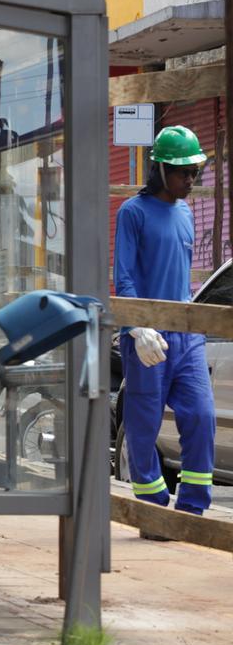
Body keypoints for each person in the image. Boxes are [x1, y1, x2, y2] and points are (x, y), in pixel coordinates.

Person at [114, 125, 215, 518]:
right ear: (159, 169)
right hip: (146, 337)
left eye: (194, 172)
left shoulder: (187, 211)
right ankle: (154, 512)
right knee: (142, 427)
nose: (189, 180)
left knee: (202, 416)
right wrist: (137, 327)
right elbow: (124, 277)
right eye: (181, 172)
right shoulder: (133, 212)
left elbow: (179, 275)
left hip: (187, 335)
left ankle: (191, 512)